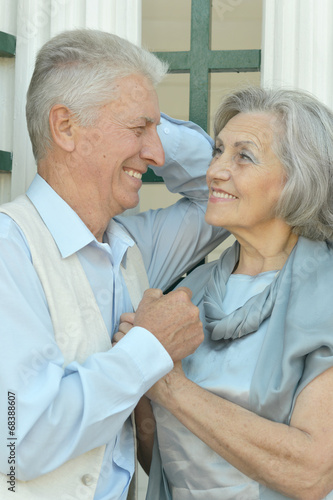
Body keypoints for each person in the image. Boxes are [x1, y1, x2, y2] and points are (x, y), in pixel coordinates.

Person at [0, 29, 229, 500]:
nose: (156, 154)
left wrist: (148, 117)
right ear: (65, 127)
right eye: (139, 128)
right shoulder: (9, 249)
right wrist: (150, 347)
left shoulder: (133, 244)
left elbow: (222, 193)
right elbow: (17, 443)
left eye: (156, 130)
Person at [128, 87, 333, 499]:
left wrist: (166, 384)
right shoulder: (185, 295)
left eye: (244, 156)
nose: (215, 171)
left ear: (297, 178)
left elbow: (312, 473)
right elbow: (162, 458)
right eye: (218, 152)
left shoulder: (325, 294)